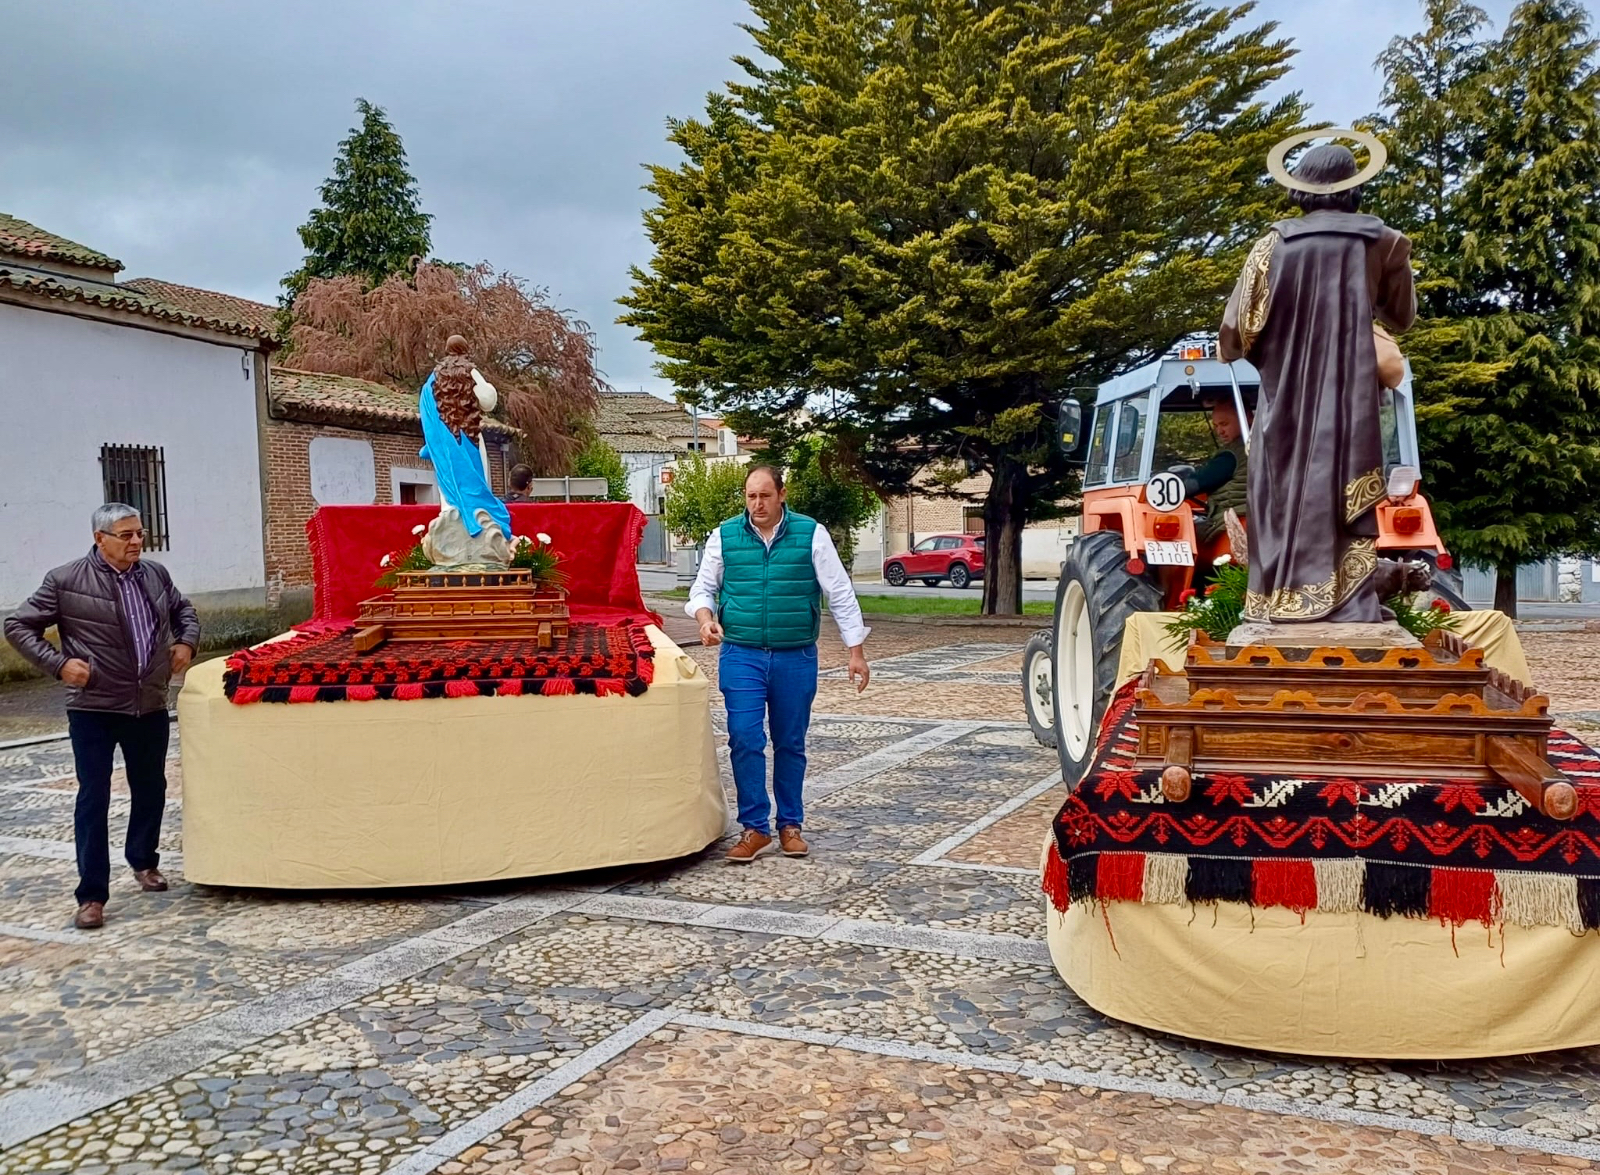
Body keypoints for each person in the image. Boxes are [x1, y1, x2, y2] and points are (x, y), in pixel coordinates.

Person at [1220, 139, 1416, 623]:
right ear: (1354, 187)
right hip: (1349, 411)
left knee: (1279, 500)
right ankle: (1348, 605)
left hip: (1283, 407)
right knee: (1338, 494)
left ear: (1300, 188)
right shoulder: (1384, 242)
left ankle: (1276, 603)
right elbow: (1402, 315)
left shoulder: (1271, 246)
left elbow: (1235, 334)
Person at [4, 504, 199, 929]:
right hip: (93, 707)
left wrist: (186, 642)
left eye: (140, 534)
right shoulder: (65, 580)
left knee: (151, 786)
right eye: (126, 535)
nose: (137, 542)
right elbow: (18, 626)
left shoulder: (155, 575)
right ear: (100, 539)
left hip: (148, 702)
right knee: (94, 797)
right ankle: (92, 895)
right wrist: (59, 665)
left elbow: (183, 610)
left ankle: (144, 860)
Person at [687, 466, 871, 863]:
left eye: (765, 496)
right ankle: (755, 828)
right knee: (744, 737)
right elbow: (702, 587)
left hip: (795, 656)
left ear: (782, 494)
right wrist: (705, 619)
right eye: (751, 496)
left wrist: (855, 651)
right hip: (741, 654)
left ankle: (790, 825)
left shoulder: (811, 534)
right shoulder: (724, 536)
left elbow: (839, 592)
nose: (757, 504)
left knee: (790, 742)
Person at [1183, 397, 1249, 544]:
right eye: (1216, 426)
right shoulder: (1270, 445)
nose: (1220, 431)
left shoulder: (1232, 455)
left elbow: (1197, 482)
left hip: (1235, 522)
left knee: (1181, 536)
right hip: (1269, 520)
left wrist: (1176, 487)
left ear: (1246, 418)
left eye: (1224, 424)